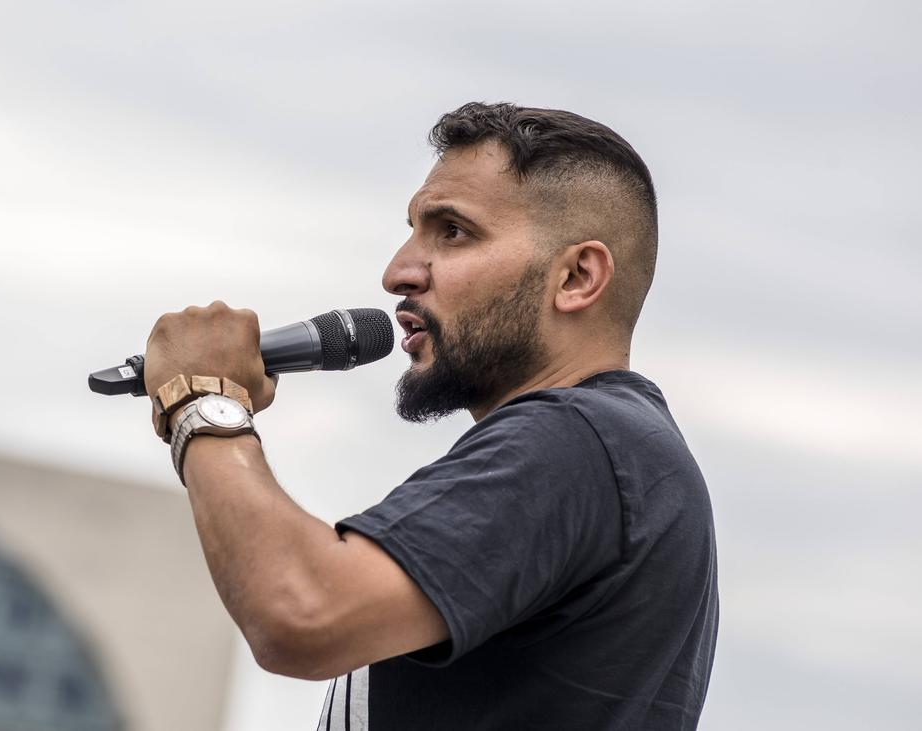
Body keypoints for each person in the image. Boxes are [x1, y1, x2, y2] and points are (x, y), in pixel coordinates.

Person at [142, 102, 718, 730]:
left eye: (453, 232)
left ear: (577, 277)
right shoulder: (621, 453)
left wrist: (205, 402)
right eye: (414, 230)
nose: (398, 273)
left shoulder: (576, 440)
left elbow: (303, 611)